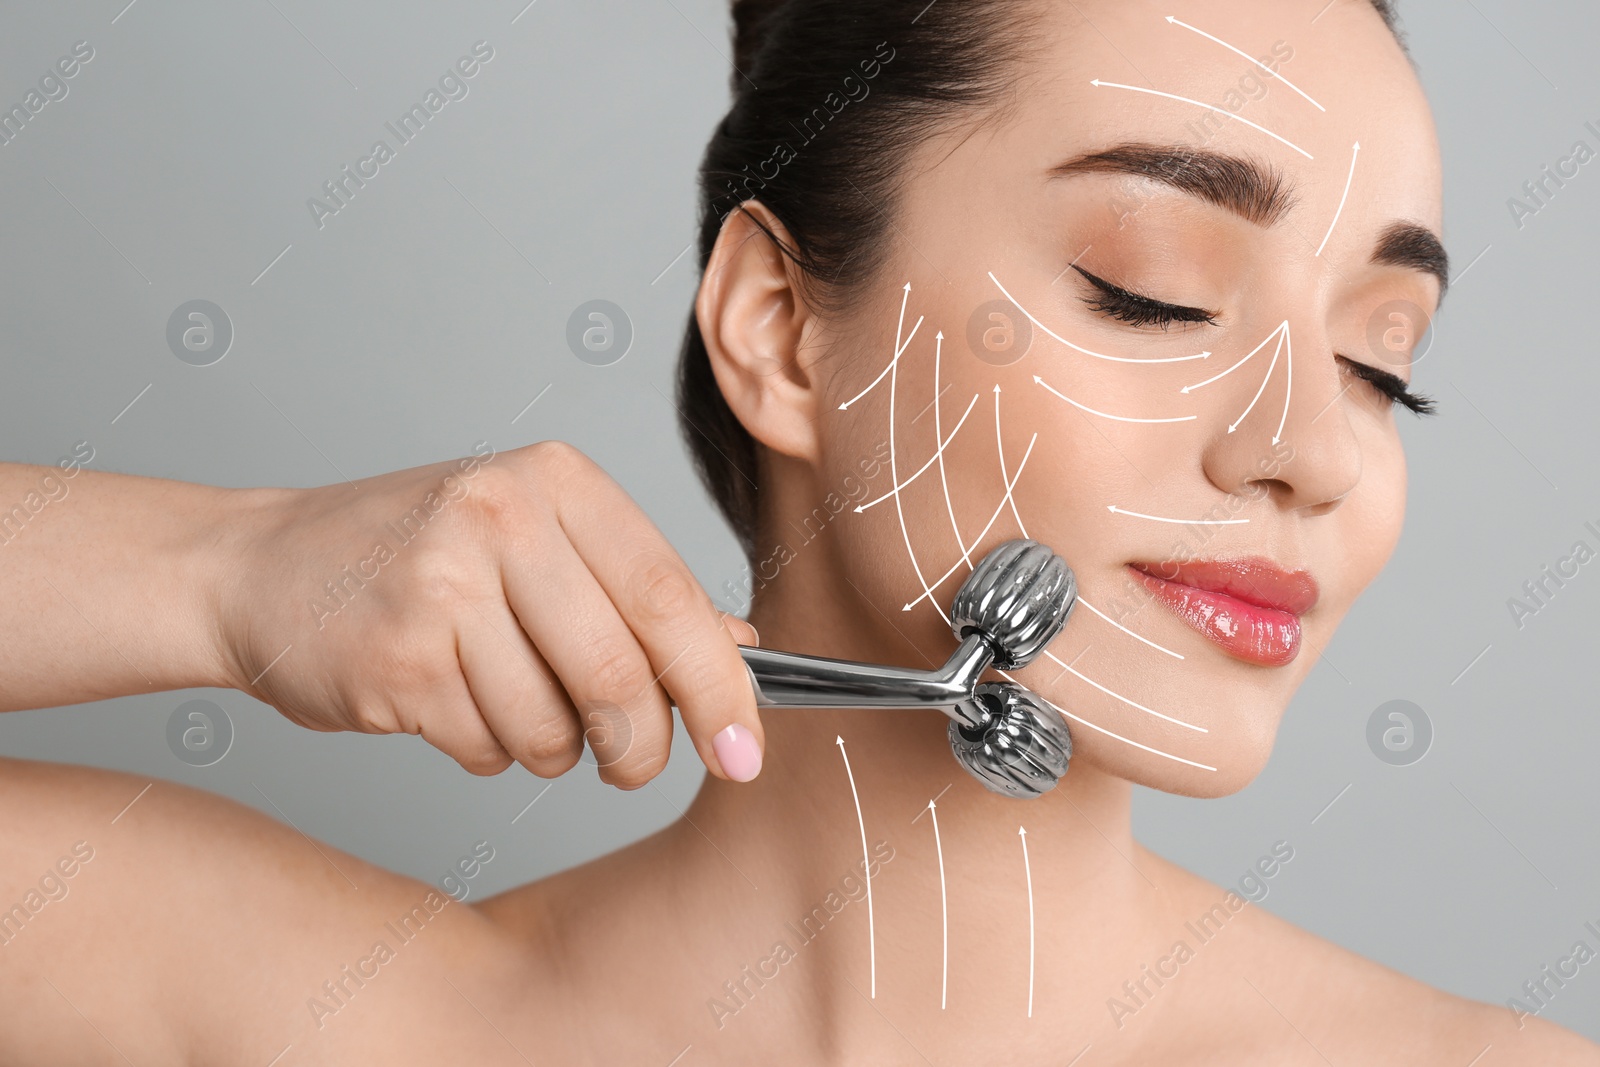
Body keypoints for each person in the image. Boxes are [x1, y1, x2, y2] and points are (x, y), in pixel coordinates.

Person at [0, 0, 1594, 1062]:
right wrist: (218, 576)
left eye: (1387, 362)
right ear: (778, 326)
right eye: (1153, 289)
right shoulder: (324, 1018)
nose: (1314, 451)